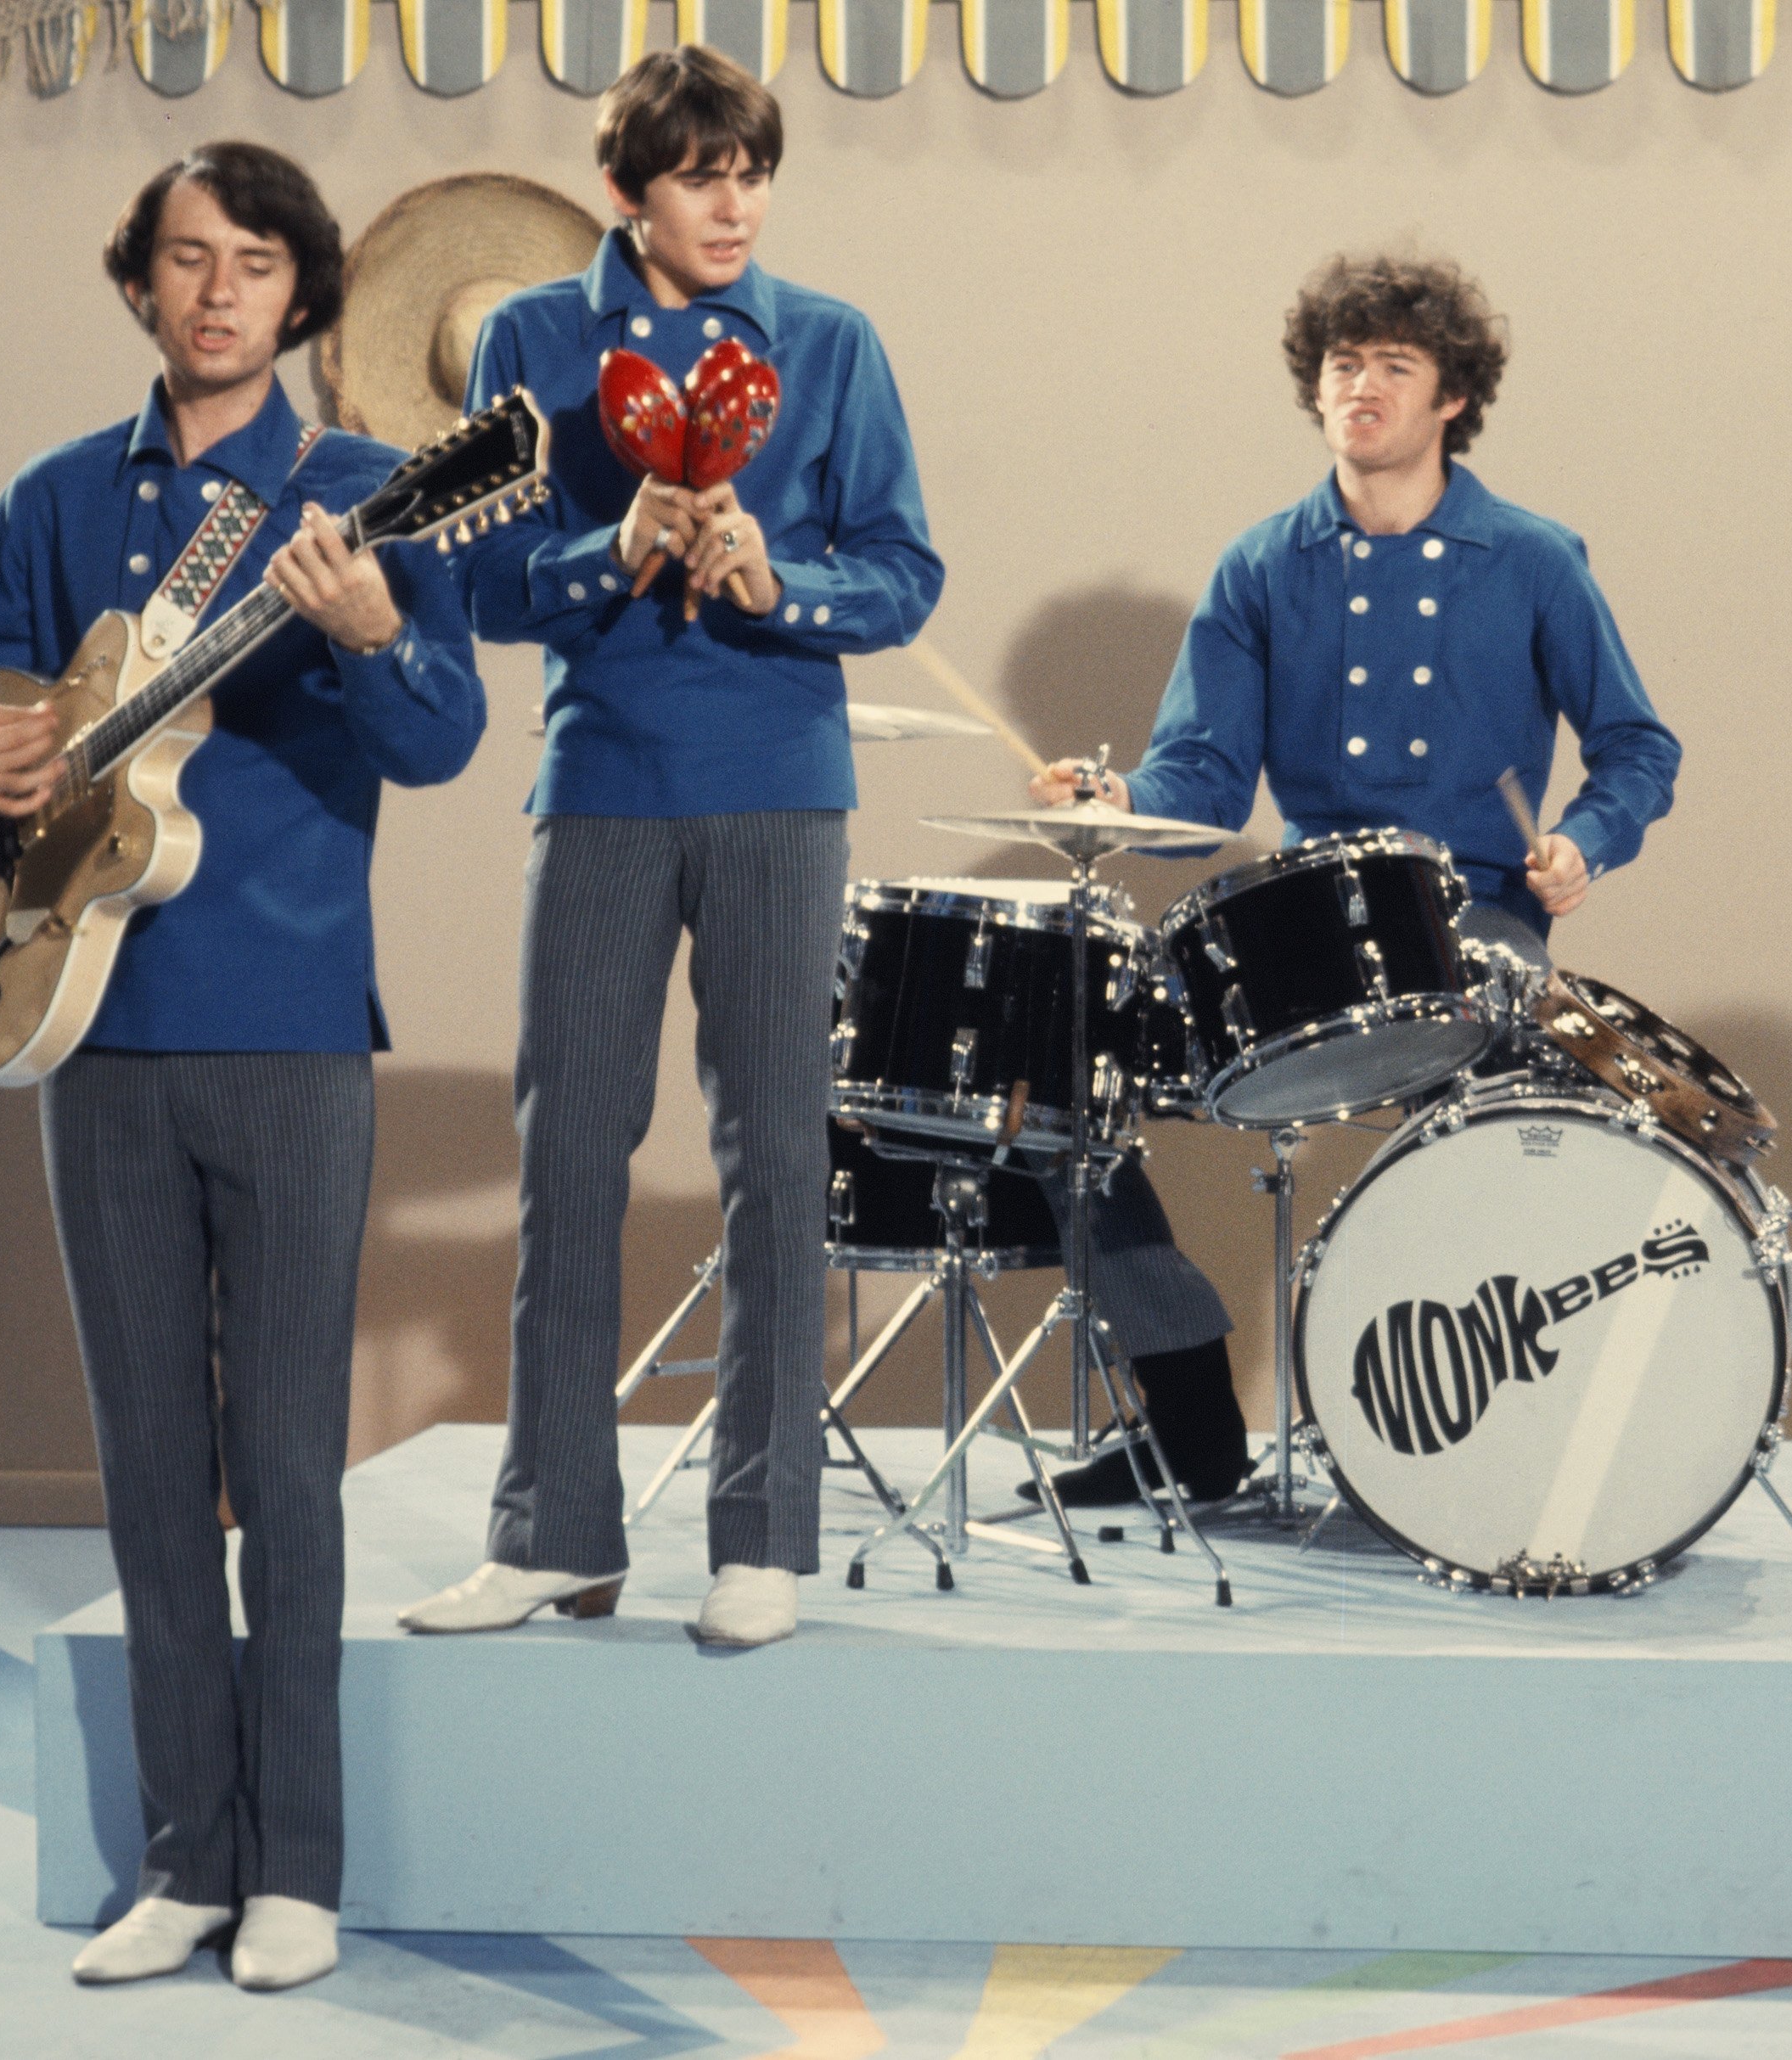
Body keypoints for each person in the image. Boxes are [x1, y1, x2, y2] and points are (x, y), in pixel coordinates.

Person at [0, 143, 486, 1990]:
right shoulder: (55, 498)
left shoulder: (364, 493)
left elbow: (442, 732)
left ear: (301, 297)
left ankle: (300, 1861)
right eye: (188, 261)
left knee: (287, 1462)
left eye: (257, 263)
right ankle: (184, 1858)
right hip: (93, 1032)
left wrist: (371, 635)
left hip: (288, 1028)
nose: (220, 292)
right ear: (140, 285)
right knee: (146, 1467)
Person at [400, 45, 944, 1647]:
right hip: (603, 781)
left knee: (777, 1155)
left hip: (780, 779)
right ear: (629, 190)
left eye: (754, 171)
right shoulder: (530, 337)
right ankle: (551, 1533)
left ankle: (761, 1540)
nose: (734, 201)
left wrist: (791, 589)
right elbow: (486, 594)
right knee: (568, 1151)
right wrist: (605, 544)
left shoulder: (830, 344)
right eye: (702, 172)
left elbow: (904, 574)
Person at [1023, 250, 1682, 1505]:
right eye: (1342, 365)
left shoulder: (1534, 559)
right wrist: (1115, 805)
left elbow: (1637, 748)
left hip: (1478, 919)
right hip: (1301, 923)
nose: (1360, 387)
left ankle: (1481, 1437)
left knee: (1508, 1118)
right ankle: (1193, 1418)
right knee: (1065, 1073)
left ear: (1449, 400)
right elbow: (1204, 783)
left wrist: (1584, 840)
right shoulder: (1262, 567)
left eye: (1394, 366)